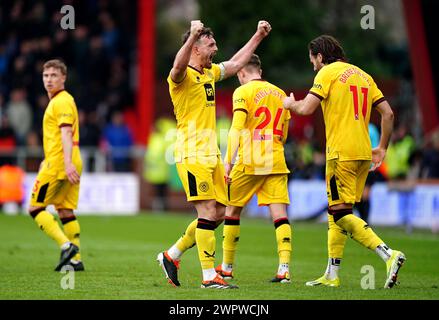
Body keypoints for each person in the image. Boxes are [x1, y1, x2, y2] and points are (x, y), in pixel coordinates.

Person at [157, 20, 272, 289]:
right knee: (207, 210)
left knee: (219, 213)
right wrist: (193, 34)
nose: (216, 49)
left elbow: (233, 65)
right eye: (210, 45)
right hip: (191, 153)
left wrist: (257, 36)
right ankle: (209, 277)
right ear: (195, 48)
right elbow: (176, 66)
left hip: (211, 155)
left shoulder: (208, 74)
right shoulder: (182, 76)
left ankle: (171, 255)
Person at [283, 35, 405, 288]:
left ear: (320, 56)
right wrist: (382, 147)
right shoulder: (363, 75)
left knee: (340, 214)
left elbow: (306, 109)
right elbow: (388, 113)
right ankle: (331, 274)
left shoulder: (326, 73)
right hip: (363, 154)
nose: (313, 65)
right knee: (336, 213)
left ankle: (388, 254)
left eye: (312, 60)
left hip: (340, 154)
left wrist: (289, 104)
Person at [215, 54, 292, 283]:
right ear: (260, 69)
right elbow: (284, 134)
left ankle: (227, 267)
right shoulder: (280, 94)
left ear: (241, 72)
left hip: (250, 160)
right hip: (276, 159)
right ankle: (284, 269)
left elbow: (236, 128)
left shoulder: (243, 92)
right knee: (280, 216)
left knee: (231, 210)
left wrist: (228, 160)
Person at [28, 59, 84, 272]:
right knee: (65, 210)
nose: (49, 80)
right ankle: (76, 259)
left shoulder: (60, 101)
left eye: (53, 76)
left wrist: (67, 163)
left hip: (61, 162)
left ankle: (66, 246)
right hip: (67, 158)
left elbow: (66, 132)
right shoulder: (63, 100)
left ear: (63, 78)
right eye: (46, 76)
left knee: (35, 208)